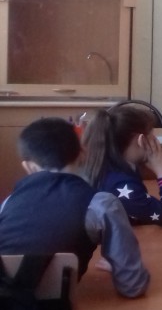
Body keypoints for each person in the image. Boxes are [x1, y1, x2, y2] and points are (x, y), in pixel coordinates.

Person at [0, 117, 150, 298]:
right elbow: (133, 287)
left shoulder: (8, 203)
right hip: (56, 308)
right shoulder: (101, 204)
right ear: (82, 153)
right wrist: (120, 266)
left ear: (29, 167)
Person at [81, 104, 162, 227]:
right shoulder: (122, 185)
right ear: (141, 140)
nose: (157, 142)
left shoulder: (110, 167)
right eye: (153, 137)